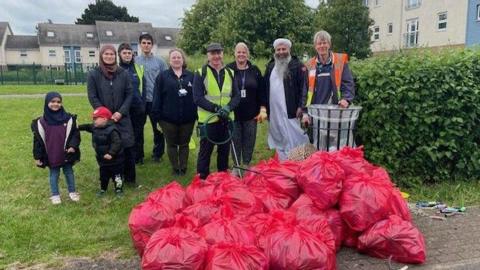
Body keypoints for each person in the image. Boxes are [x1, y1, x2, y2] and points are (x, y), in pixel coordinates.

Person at [87, 44, 135, 186]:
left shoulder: (123, 73)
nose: (109, 56)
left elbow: (129, 93)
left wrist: (121, 112)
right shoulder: (94, 74)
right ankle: (111, 177)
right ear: (101, 56)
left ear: (116, 56)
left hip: (122, 116)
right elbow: (92, 96)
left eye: (112, 54)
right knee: (109, 146)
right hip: (105, 119)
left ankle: (130, 178)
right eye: (106, 54)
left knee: (127, 145)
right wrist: (106, 115)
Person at [193, 43, 240, 179]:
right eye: (213, 53)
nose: (216, 56)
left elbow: (236, 96)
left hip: (226, 120)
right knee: (205, 152)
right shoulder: (200, 73)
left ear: (222, 54)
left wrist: (228, 108)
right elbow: (197, 98)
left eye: (218, 53)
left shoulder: (230, 73)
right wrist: (216, 108)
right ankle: (202, 180)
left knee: (224, 152)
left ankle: (222, 178)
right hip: (208, 120)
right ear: (208, 55)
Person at [152, 48, 196, 176]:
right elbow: (157, 97)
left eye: (179, 57)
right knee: (171, 144)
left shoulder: (191, 76)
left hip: (188, 119)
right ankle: (175, 168)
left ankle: (183, 167)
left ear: (183, 60)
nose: (176, 59)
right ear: (169, 61)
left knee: (184, 144)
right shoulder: (162, 77)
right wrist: (157, 118)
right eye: (174, 58)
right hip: (167, 119)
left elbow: (197, 96)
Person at [31, 92, 81, 204]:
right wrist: (37, 156)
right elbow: (37, 141)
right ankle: (55, 195)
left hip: (66, 152)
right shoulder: (41, 122)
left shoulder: (69, 119)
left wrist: (73, 146)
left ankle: (72, 192)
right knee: (54, 174)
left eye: (58, 102)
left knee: (69, 172)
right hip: (52, 154)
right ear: (47, 103)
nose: (56, 104)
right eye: (52, 101)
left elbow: (75, 134)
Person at [264, 38, 309, 160]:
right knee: (279, 137)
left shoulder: (298, 66)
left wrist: (302, 107)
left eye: (284, 49)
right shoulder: (270, 66)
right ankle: (284, 163)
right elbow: (265, 88)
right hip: (274, 112)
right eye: (278, 49)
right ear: (275, 51)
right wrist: (264, 108)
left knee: (296, 137)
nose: (281, 52)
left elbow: (304, 88)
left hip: (292, 111)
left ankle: (300, 163)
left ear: (289, 50)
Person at [226, 42, 266, 168]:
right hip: (234, 113)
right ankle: (237, 166)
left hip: (251, 114)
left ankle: (247, 164)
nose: (241, 54)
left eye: (244, 52)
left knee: (249, 140)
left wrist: (263, 108)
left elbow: (262, 91)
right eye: (239, 52)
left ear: (247, 54)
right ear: (235, 54)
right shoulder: (228, 69)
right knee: (235, 140)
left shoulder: (255, 70)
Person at [303, 30, 355, 115]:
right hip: (315, 111)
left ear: (329, 44)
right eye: (319, 43)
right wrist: (304, 112)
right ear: (315, 46)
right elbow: (304, 90)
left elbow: (348, 83)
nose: (322, 46)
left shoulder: (340, 61)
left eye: (324, 43)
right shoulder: (309, 65)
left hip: (336, 110)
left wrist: (346, 99)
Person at [135, 33, 168, 162]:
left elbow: (166, 79)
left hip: (156, 101)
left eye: (149, 43)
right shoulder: (135, 61)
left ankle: (157, 154)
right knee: (138, 129)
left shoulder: (160, 62)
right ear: (140, 45)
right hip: (141, 101)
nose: (146, 45)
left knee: (158, 129)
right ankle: (139, 156)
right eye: (144, 43)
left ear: (152, 45)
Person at [79, 107, 124, 196]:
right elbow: (87, 126)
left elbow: (117, 142)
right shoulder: (95, 127)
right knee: (103, 176)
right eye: (93, 119)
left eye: (96, 118)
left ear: (104, 119)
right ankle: (103, 189)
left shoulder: (112, 130)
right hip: (102, 159)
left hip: (115, 159)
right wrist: (78, 127)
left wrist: (111, 153)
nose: (94, 121)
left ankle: (118, 189)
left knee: (117, 176)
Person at [118, 43, 146, 166]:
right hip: (123, 108)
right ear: (119, 54)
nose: (127, 55)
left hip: (137, 107)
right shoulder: (116, 69)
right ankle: (126, 157)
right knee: (125, 133)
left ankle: (139, 157)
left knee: (138, 133)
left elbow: (143, 87)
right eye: (124, 53)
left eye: (129, 53)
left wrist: (143, 104)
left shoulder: (138, 68)